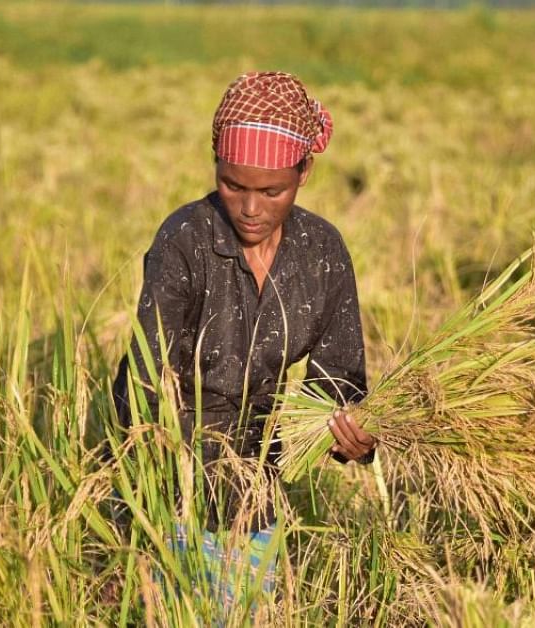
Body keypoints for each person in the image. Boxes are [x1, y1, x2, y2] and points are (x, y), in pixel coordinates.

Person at [112, 71, 378, 618]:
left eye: (271, 191)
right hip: (173, 478)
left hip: (259, 485)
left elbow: (338, 387)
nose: (250, 208)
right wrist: (163, 486)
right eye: (233, 185)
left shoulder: (320, 251)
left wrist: (352, 435)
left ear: (304, 171)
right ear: (215, 164)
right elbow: (143, 378)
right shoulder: (185, 239)